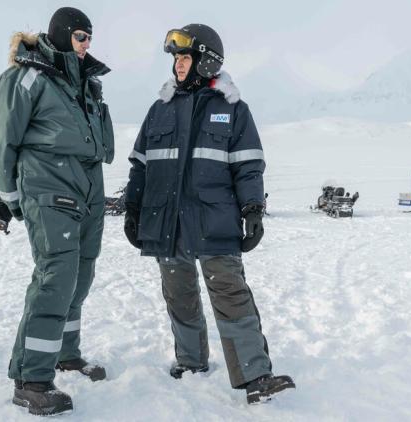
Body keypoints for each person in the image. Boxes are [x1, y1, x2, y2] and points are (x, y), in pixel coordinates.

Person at [124, 24, 295, 404]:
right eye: (176, 59)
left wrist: (253, 209)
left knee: (232, 296)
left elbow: (249, 165)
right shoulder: (159, 109)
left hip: (213, 223)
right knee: (179, 296)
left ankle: (255, 375)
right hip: (167, 225)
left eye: (185, 58)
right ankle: (190, 362)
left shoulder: (232, 109)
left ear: (206, 62)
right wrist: (133, 209)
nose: (178, 66)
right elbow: (140, 165)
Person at [0, 7, 114, 416]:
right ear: (59, 35)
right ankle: (31, 377)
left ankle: (65, 353)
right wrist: (11, 195)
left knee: (81, 273)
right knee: (56, 273)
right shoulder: (27, 77)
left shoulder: (85, 83)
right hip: (48, 182)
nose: (87, 43)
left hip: (88, 185)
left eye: (89, 36)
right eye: (80, 36)